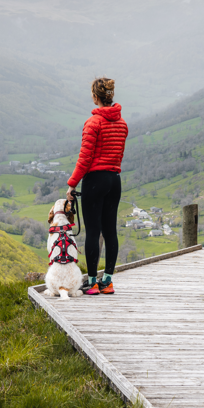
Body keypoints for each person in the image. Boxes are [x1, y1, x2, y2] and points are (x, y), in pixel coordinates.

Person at [66, 77, 128, 295]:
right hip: (114, 180)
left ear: (95, 97)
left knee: (93, 232)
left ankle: (92, 282)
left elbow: (85, 158)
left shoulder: (93, 123)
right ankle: (108, 281)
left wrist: (72, 185)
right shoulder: (122, 124)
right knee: (111, 231)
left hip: (95, 181)